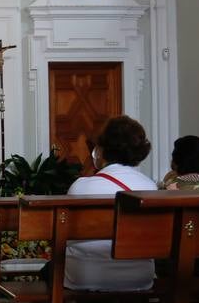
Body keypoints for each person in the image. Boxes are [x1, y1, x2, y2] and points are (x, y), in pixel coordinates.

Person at [63, 115, 158, 291]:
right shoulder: (150, 187)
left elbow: (69, 237)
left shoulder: (81, 186)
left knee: (49, 269)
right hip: (140, 274)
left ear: (101, 150)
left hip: (86, 274)